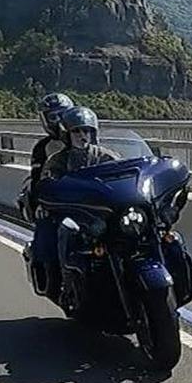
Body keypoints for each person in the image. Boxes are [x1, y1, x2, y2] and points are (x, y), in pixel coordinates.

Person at [27, 107, 122, 297]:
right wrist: (44, 204)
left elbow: (123, 173)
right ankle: (67, 283)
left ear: (93, 133)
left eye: (86, 131)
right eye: (76, 131)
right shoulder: (58, 161)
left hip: (102, 211)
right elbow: (46, 184)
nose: (82, 135)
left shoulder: (107, 156)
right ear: (67, 134)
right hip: (74, 212)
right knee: (66, 228)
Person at [19, 92, 76, 222]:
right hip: (56, 202)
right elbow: (37, 180)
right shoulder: (42, 147)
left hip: (84, 197)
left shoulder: (83, 137)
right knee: (45, 233)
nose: (60, 121)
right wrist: (41, 203)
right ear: (45, 120)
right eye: (53, 117)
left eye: (63, 114)